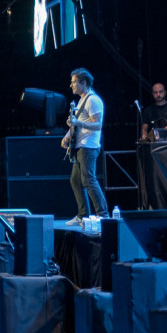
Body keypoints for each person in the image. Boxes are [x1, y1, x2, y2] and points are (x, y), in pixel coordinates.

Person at [62, 68, 107, 224]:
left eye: (74, 82)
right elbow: (77, 124)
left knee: (89, 180)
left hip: (89, 146)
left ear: (84, 83)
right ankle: (83, 216)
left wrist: (78, 122)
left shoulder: (93, 100)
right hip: (80, 146)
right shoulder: (82, 100)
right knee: (75, 180)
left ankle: (103, 214)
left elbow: (98, 124)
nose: (71, 85)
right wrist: (67, 136)